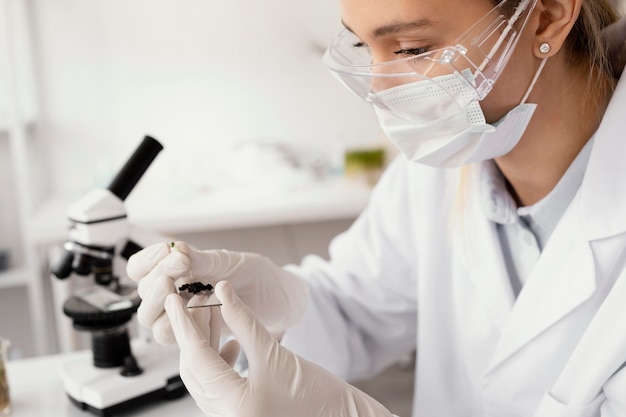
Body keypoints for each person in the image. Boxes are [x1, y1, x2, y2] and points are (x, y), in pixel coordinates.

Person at [126, 0, 626, 415]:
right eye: (365, 46)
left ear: (547, 16)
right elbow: (357, 308)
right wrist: (273, 302)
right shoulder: (442, 163)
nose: (380, 91)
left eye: (412, 48)